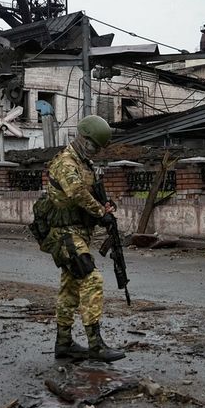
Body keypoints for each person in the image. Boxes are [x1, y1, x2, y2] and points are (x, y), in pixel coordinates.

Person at [42, 115, 125, 362]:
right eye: (95, 145)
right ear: (83, 137)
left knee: (70, 288)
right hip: (64, 234)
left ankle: (64, 343)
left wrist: (105, 205)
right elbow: (77, 192)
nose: (96, 151)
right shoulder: (66, 162)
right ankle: (96, 345)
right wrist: (101, 213)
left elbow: (89, 191)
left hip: (78, 232)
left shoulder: (84, 163)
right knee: (92, 279)